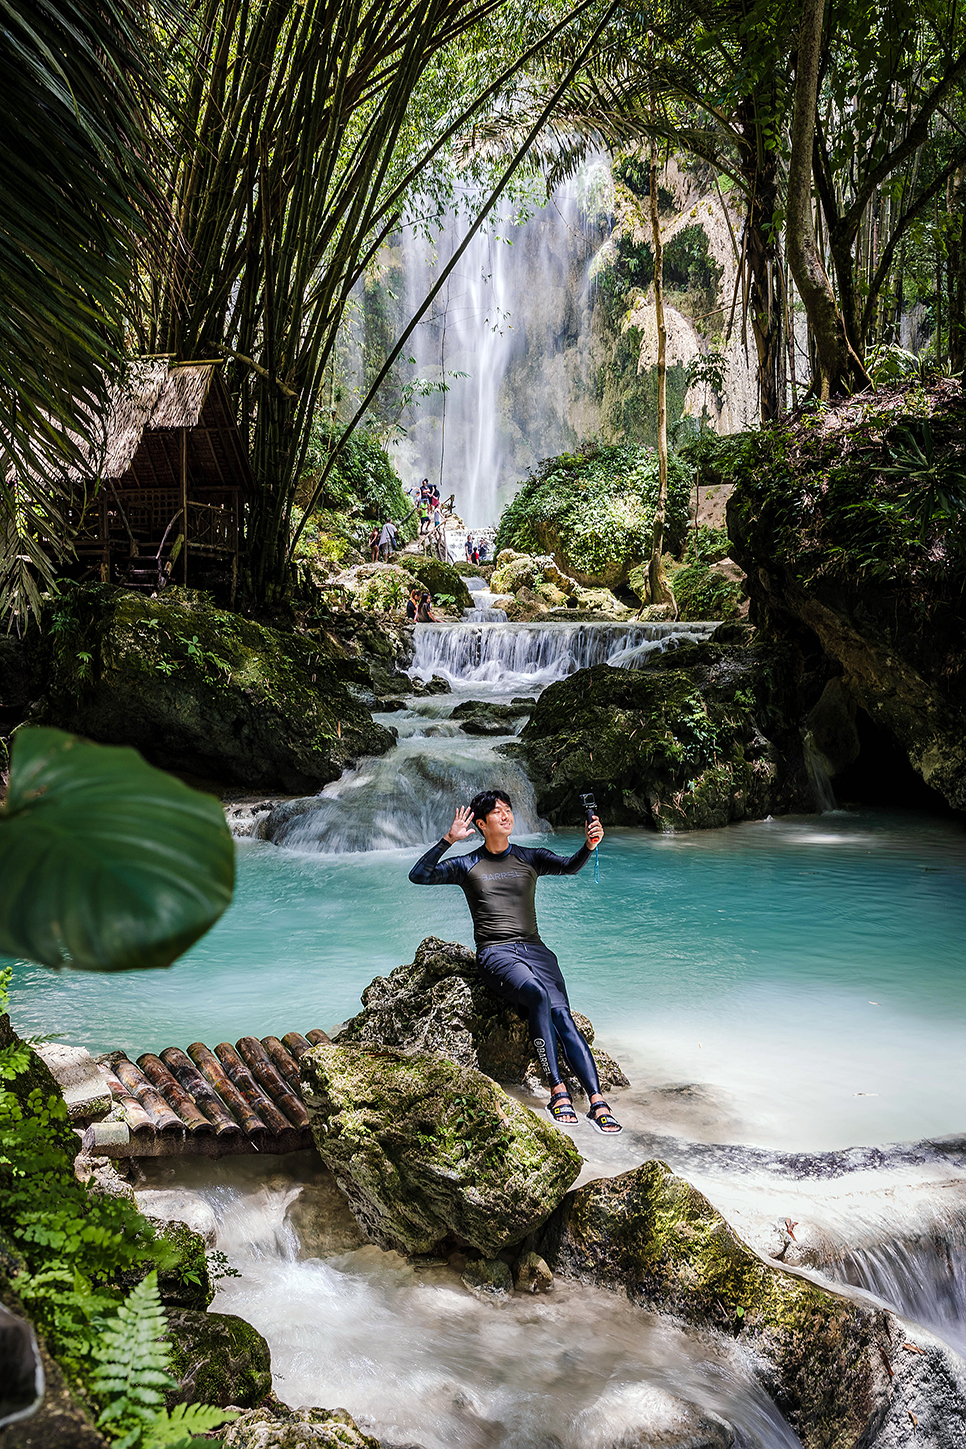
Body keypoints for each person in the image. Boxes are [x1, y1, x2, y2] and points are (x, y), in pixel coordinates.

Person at [408, 789, 622, 1133]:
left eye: (508, 810)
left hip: (536, 950)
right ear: (481, 824)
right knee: (537, 993)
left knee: (563, 1017)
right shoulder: (468, 864)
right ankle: (557, 1090)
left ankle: (597, 1100)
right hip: (496, 952)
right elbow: (419, 874)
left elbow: (569, 867)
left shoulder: (529, 856)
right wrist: (448, 839)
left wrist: (589, 846)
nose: (506, 816)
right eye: (497, 813)